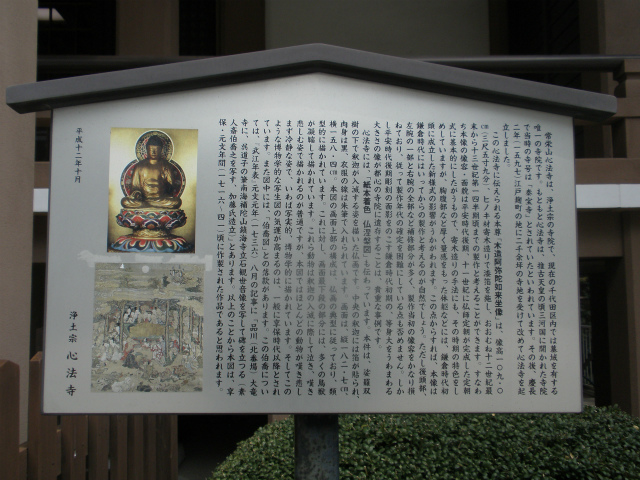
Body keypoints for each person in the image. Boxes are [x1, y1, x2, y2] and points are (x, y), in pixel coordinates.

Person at [121, 135, 182, 209]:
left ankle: (147, 205)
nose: (153, 152)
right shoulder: (139, 166)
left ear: (161, 150)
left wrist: (165, 184)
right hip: (143, 199)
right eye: (151, 149)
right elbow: (135, 187)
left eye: (156, 149)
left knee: (177, 202)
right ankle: (150, 205)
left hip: (161, 200)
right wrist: (137, 194)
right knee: (124, 201)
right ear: (147, 149)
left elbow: (171, 187)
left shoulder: (166, 165)